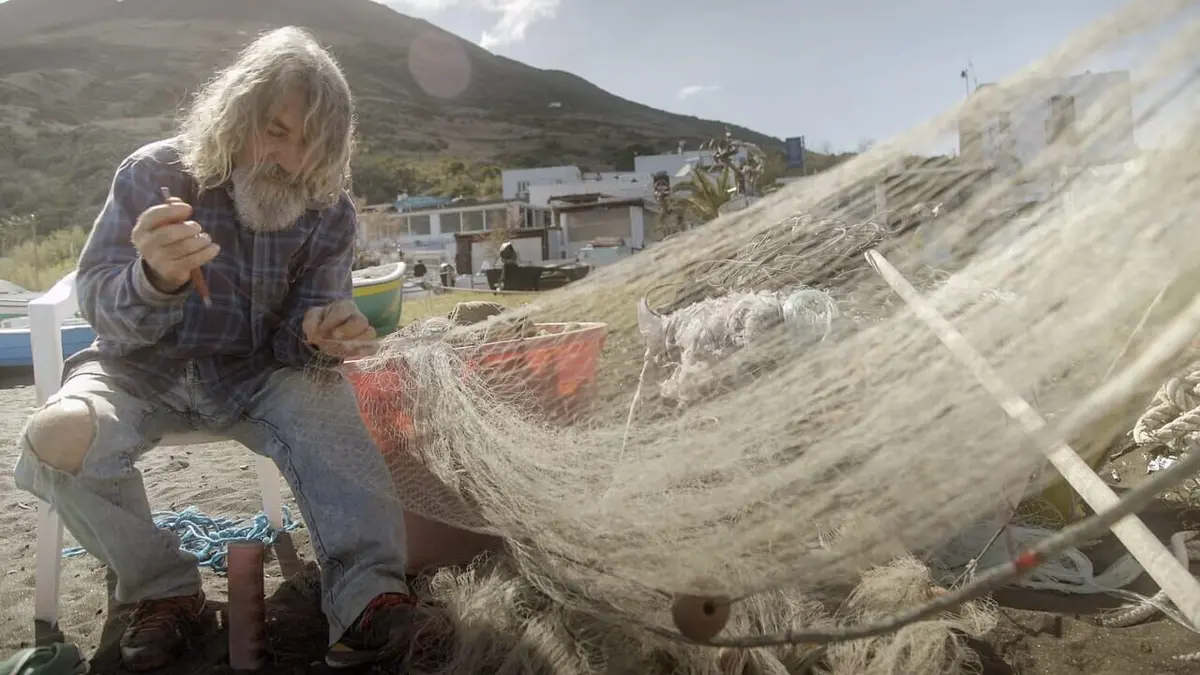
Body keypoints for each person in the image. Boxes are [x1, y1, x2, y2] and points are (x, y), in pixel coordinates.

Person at [12, 27, 429, 672]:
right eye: (276, 130)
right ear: (236, 115)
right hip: (135, 370)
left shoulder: (328, 209)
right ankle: (163, 593)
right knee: (60, 434)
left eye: (312, 144)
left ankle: (368, 597)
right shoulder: (153, 173)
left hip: (255, 373)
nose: (289, 160)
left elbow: (305, 331)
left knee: (333, 405)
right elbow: (96, 301)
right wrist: (153, 279)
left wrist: (322, 336)